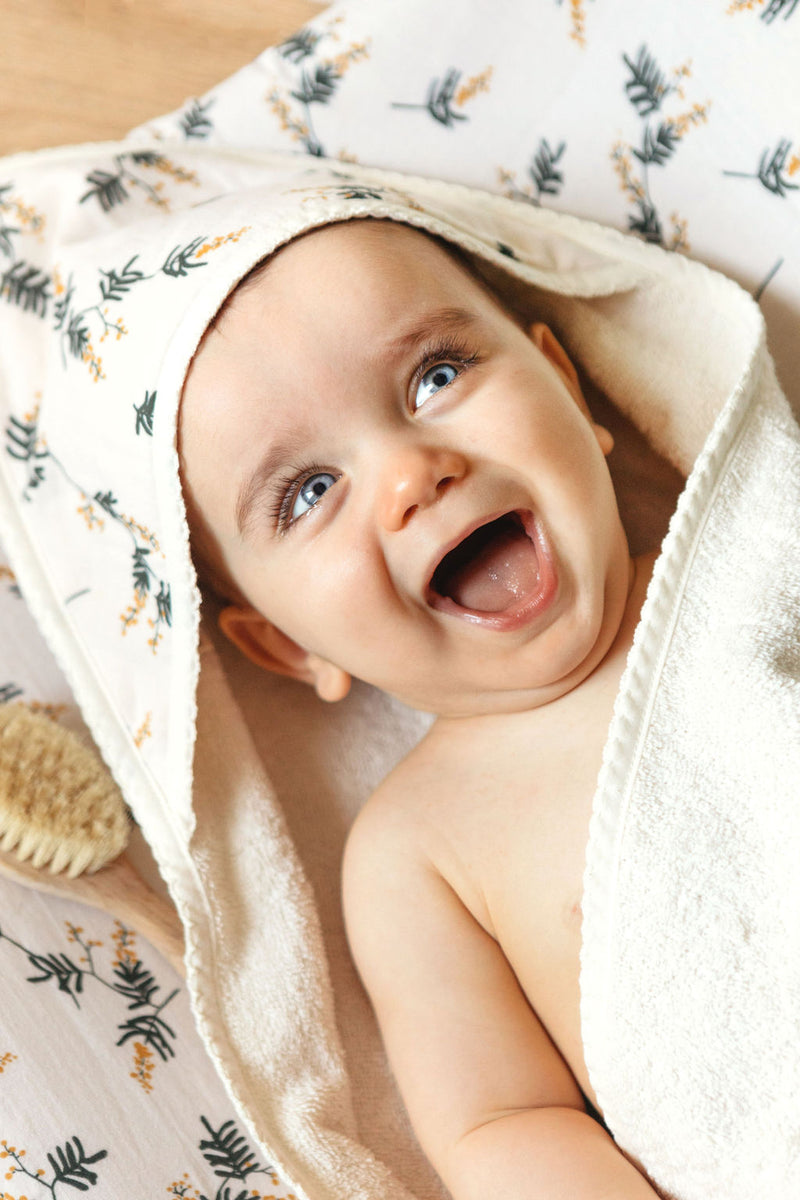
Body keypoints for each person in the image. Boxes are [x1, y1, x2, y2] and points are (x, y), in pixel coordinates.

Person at [178, 214, 669, 1199]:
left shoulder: (752, 545)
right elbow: (501, 1123)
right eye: (310, 489)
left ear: (568, 392)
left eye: (435, 377)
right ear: (285, 644)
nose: (410, 474)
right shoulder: (418, 851)